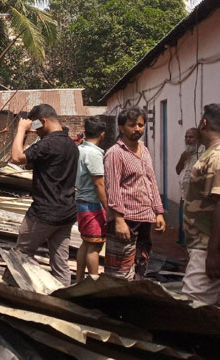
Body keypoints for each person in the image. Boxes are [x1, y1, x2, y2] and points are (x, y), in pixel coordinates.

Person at [10, 104, 79, 286]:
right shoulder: (71, 145)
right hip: (66, 213)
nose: (36, 133)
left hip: (44, 213)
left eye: (36, 128)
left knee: (20, 255)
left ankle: (16, 295)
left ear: (43, 121)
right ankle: (61, 302)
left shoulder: (48, 144)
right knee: (61, 264)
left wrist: (20, 129)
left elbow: (16, 158)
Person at [104, 107, 166, 280]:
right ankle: (118, 303)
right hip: (126, 219)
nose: (137, 128)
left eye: (141, 125)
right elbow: (113, 188)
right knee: (120, 267)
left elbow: (151, 180)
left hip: (144, 217)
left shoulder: (144, 150)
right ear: (121, 128)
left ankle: (134, 300)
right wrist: (119, 220)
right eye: (132, 125)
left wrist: (158, 212)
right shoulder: (115, 153)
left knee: (141, 262)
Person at [182, 104, 220, 304]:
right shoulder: (211, 153)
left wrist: (213, 253)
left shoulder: (216, 157)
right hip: (204, 244)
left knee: (195, 305)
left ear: (204, 123)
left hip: (207, 246)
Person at [74, 117, 108, 281]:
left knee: (86, 243)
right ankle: (93, 283)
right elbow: (99, 184)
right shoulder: (93, 153)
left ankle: (80, 280)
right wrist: (108, 209)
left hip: (82, 202)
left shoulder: (79, 149)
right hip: (93, 204)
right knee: (94, 246)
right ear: (102, 134)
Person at [176, 128, 203, 246]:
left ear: (198, 139)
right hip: (184, 196)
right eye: (186, 137)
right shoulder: (186, 153)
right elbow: (178, 171)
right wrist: (182, 159)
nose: (188, 140)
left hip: (197, 200)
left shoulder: (203, 154)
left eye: (191, 137)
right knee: (184, 227)